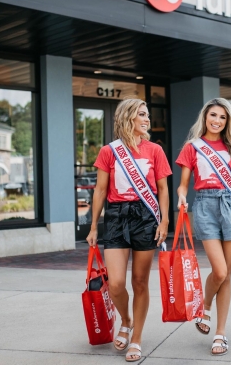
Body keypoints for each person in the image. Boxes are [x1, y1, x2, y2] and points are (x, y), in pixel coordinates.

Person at [86, 99, 172, 362]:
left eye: (147, 114)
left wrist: (165, 220)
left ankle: (137, 338)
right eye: (142, 115)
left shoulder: (155, 150)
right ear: (128, 117)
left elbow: (162, 189)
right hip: (116, 217)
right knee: (117, 284)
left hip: (146, 216)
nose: (147, 119)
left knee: (139, 282)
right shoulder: (109, 151)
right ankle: (126, 319)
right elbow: (100, 190)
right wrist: (93, 226)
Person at [176, 98, 231, 356]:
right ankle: (204, 305)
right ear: (205, 117)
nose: (217, 121)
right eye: (213, 115)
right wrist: (182, 195)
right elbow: (184, 182)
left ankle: (220, 334)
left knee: (227, 274)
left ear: (227, 121)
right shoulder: (192, 146)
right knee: (218, 271)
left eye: (222, 117)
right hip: (205, 205)